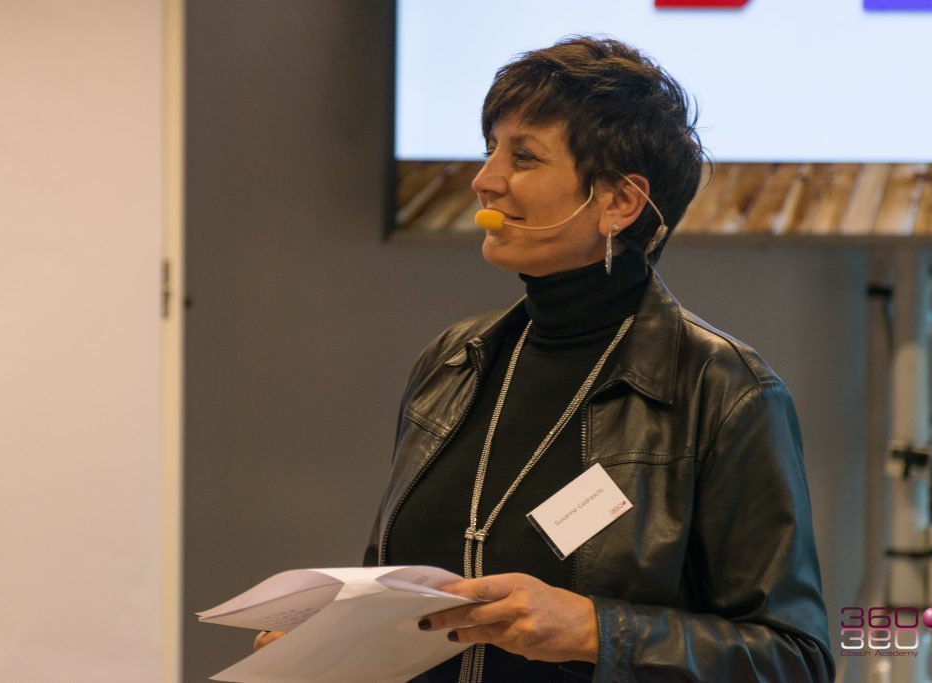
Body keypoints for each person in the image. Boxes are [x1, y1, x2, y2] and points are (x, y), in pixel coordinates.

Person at [262, 36, 834, 682]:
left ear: (619, 202)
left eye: (524, 157)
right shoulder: (450, 362)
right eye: (490, 149)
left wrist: (597, 631)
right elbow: (396, 608)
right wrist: (331, 645)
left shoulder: (724, 389)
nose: (484, 179)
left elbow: (795, 659)